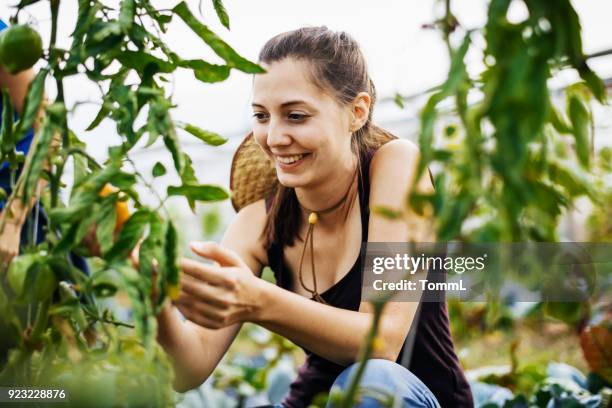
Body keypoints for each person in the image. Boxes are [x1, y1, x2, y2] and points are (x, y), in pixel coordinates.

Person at [157, 27, 474, 407]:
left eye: (295, 115)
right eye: (261, 115)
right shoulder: (259, 222)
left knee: (374, 381)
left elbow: (383, 341)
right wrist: (150, 287)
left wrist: (258, 300)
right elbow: (190, 367)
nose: (273, 137)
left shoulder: (396, 168)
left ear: (357, 112)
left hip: (401, 399)